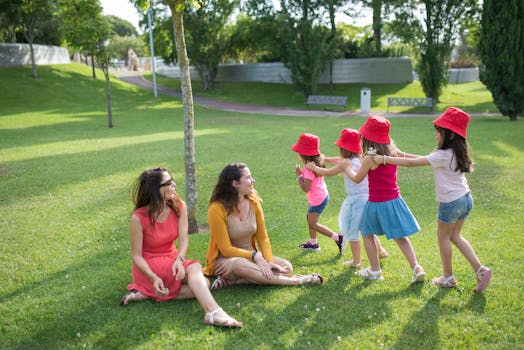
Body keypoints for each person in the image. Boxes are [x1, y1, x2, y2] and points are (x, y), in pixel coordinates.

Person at [374, 108, 492, 292]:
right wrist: (399, 154)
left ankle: (448, 277)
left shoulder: (443, 155)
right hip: (465, 199)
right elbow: (423, 159)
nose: (436, 134)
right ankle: (480, 270)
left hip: (451, 203)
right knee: (455, 236)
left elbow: (415, 163)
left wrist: (384, 158)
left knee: (443, 237)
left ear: (450, 135)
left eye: (439, 131)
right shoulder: (455, 152)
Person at [120, 167, 242, 328]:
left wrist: (179, 259)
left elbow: (184, 239)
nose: (174, 185)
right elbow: (136, 256)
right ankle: (213, 313)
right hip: (149, 264)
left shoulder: (178, 206)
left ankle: (147, 293)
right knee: (195, 268)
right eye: (168, 183)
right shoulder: (138, 218)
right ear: (156, 189)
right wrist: (153, 277)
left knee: (203, 285)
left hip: (172, 258)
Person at [203, 163, 323, 289]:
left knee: (286, 267)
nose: (253, 180)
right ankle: (296, 281)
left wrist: (269, 261)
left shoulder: (253, 203)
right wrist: (255, 256)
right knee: (240, 265)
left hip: (252, 257)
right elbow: (226, 249)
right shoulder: (216, 209)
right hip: (225, 260)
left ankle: (232, 281)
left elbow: (263, 238)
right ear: (235, 184)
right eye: (248, 177)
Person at [339, 116, 426, 282]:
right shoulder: (392, 153)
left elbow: (356, 179)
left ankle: (375, 271)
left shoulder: (369, 159)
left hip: (376, 203)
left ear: (367, 139)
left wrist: (347, 168)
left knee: (367, 233)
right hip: (395, 201)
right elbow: (409, 158)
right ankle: (416, 267)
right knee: (400, 237)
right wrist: (429, 159)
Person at [305, 128, 389, 268]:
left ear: (344, 149)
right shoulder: (360, 158)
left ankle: (356, 262)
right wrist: (325, 159)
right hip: (368, 199)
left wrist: (313, 167)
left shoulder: (346, 164)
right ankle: (381, 251)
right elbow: (339, 160)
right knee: (366, 228)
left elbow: (328, 172)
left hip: (355, 201)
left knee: (352, 232)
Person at [291, 132, 344, 253]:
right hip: (319, 197)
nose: (298, 156)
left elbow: (306, 188)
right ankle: (313, 243)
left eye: (300, 153)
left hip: (317, 200)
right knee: (310, 219)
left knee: (313, 223)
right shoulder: (316, 163)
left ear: (304, 155)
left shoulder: (309, 169)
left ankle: (338, 238)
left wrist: (299, 176)